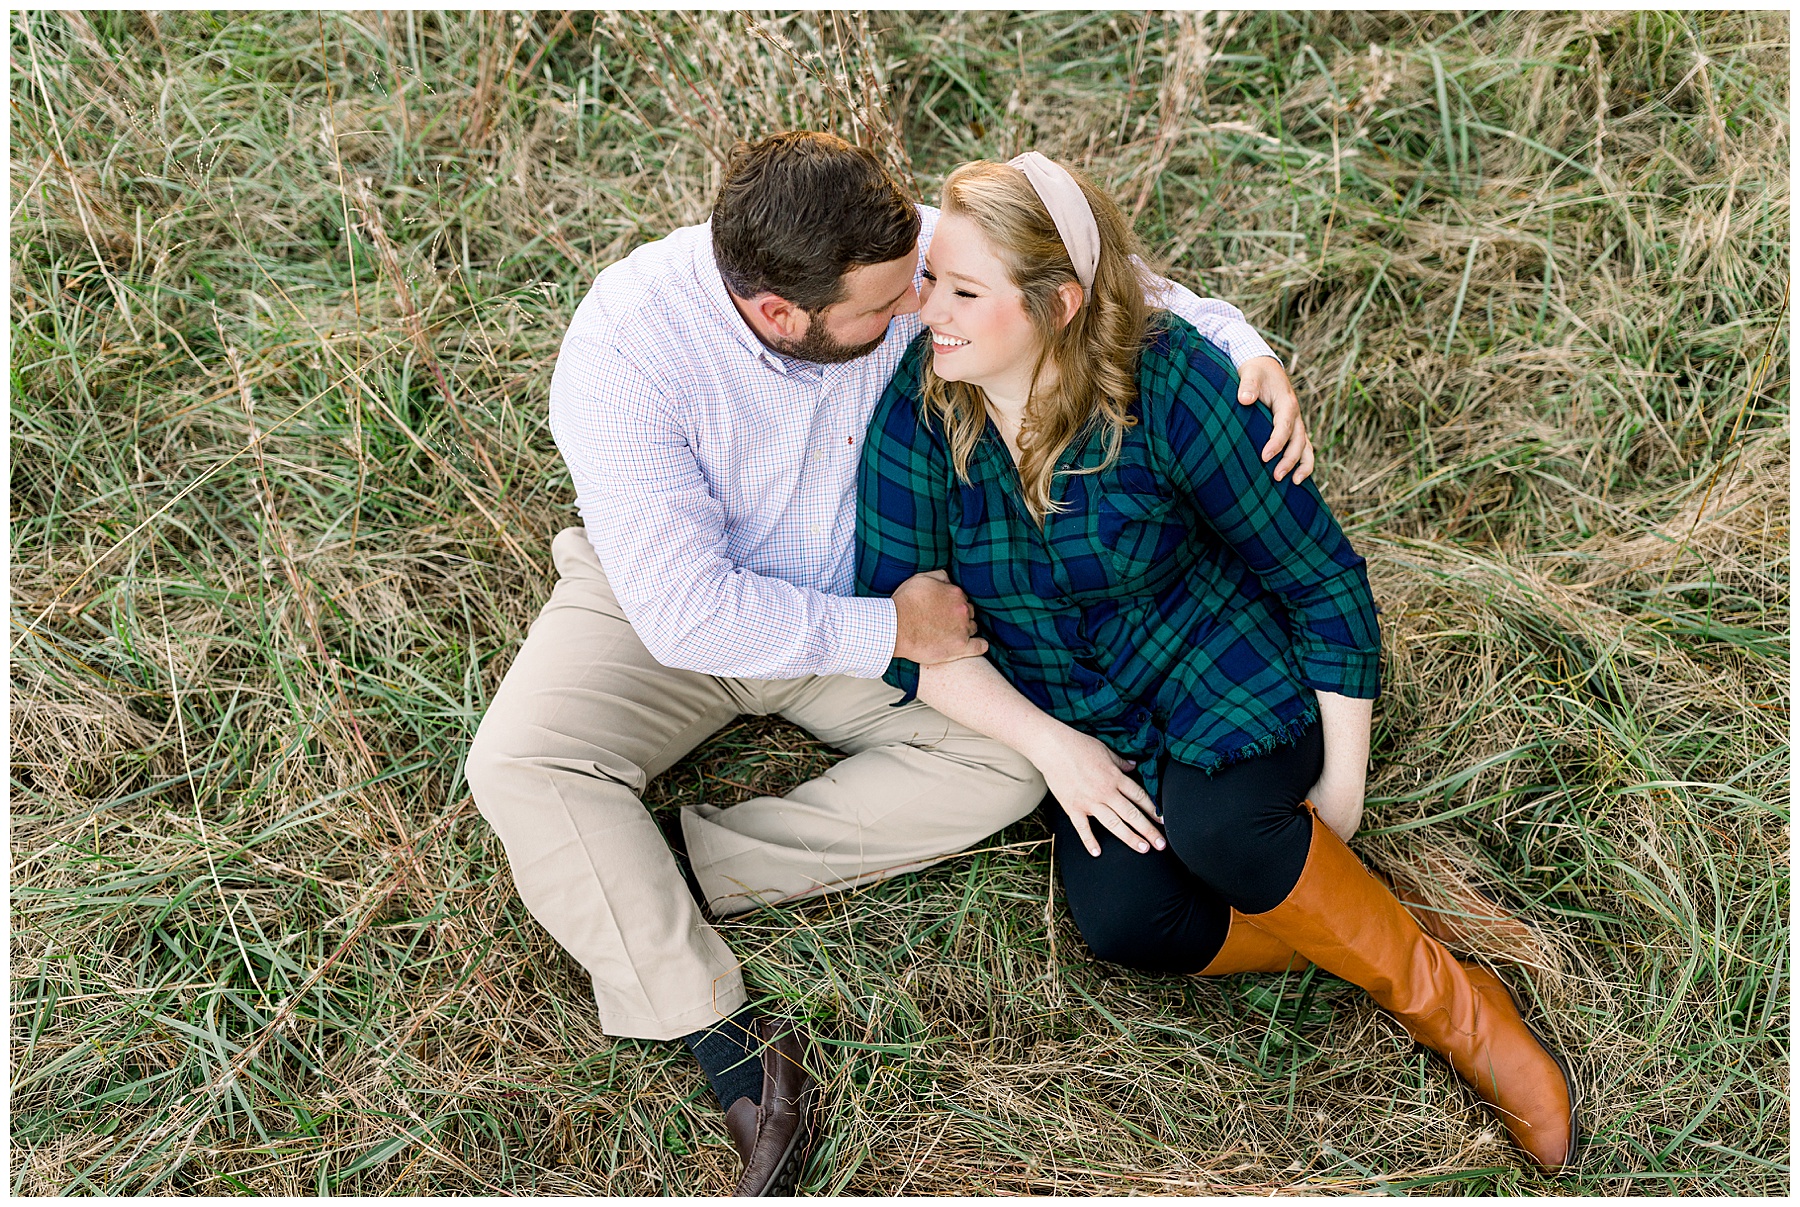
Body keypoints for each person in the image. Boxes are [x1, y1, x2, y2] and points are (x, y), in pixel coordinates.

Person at [465, 131, 1315, 1195]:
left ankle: (684, 868)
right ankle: (728, 1046)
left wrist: (1239, 343)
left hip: (863, 594)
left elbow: (1094, 289)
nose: (919, 307)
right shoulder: (629, 346)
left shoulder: (893, 250)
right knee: (518, 763)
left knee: (1007, 768)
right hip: (674, 607)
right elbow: (687, 614)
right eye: (884, 309)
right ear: (781, 314)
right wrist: (894, 632)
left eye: (921, 278)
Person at [854, 153, 1580, 1172]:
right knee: (1125, 918)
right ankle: (1357, 911)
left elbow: (1320, 578)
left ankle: (1457, 1010)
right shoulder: (922, 414)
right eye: (934, 280)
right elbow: (919, 638)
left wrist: (1343, 784)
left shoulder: (1174, 380)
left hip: (1212, 662)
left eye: (965, 291)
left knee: (1222, 825)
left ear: (1057, 304)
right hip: (1082, 715)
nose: (930, 311)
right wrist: (1053, 748)